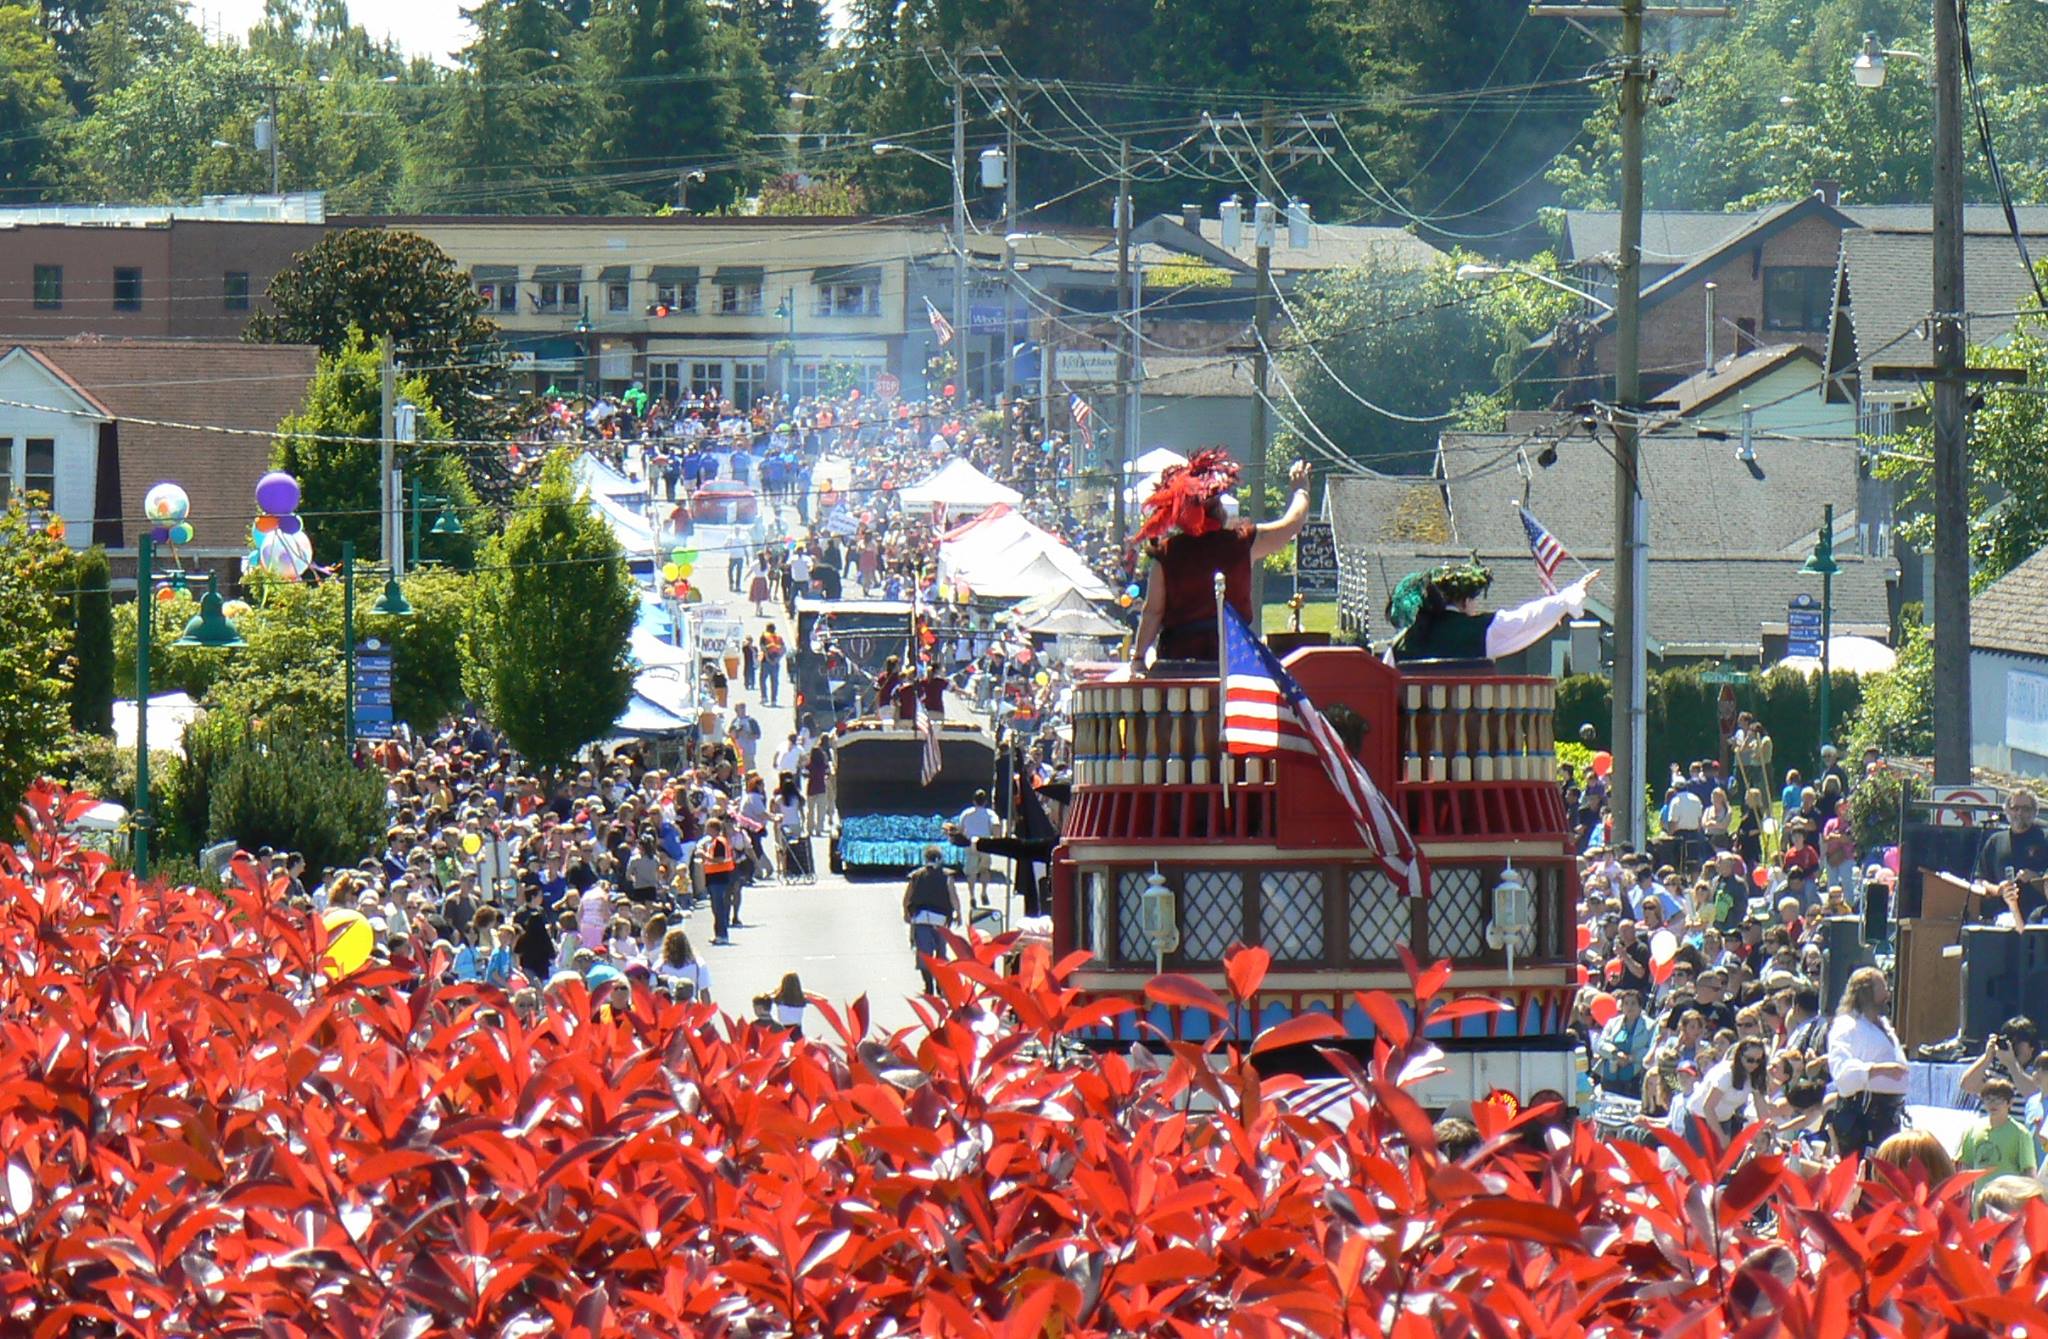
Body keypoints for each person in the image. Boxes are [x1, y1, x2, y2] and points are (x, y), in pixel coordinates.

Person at [1129, 452, 1313, 667]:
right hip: (1233, 658)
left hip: (1178, 662)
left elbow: (1153, 611)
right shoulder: (1240, 543)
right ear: (1217, 509)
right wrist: (1301, 490)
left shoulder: (1167, 553)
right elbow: (1292, 523)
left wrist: (1139, 658)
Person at [1383, 560, 1601, 665]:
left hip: (1409, 745)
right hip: (1468, 744)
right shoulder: (1480, 630)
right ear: (1465, 600)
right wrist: (1568, 597)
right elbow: (1528, 619)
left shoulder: (1400, 644)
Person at [1827, 966, 1909, 1156]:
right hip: (1863, 1115)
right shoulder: (1847, 1026)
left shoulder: (1883, 1025)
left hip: (1888, 1115)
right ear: (1866, 992)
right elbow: (1841, 1072)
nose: (1888, 993)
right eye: (1883, 988)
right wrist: (1877, 1069)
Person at [1977, 788, 2048, 924]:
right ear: (2007, 811)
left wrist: (2036, 877)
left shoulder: (2045, 839)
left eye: (2026, 809)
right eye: (2015, 808)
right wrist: (1998, 889)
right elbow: (1981, 879)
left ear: (2034, 812)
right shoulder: (1995, 841)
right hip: (2003, 918)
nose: (2019, 813)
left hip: (2039, 918)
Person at [902, 844, 961, 994]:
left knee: (924, 955)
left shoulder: (916, 876)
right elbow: (953, 896)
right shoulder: (947, 876)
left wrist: (906, 913)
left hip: (921, 919)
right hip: (941, 920)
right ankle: (941, 986)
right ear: (940, 859)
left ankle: (929, 986)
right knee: (941, 955)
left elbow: (907, 897)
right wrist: (959, 913)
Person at [1957, 1078, 2039, 1182]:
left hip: (2009, 1195)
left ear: (2009, 1103)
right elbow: (1966, 1166)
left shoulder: (2021, 1133)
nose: (1993, 1104)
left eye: (1998, 1099)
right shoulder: (1972, 1130)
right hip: (1980, 1196)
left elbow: (2028, 1171)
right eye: (1988, 1099)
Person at [1591, 989, 1652, 1098]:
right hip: (1610, 1072)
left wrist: (1630, 1058)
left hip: (1635, 1076)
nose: (1629, 1007)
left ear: (1640, 1006)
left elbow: (1650, 1048)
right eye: (1626, 1003)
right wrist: (1615, 1054)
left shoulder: (1650, 1025)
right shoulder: (1612, 1023)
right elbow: (1600, 1044)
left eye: (1633, 1003)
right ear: (1622, 1006)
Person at [953, 788, 1001, 907]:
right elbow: (996, 826)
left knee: (971, 873)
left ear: (974, 801)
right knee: (985, 870)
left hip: (970, 844)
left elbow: (960, 829)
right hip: (985, 844)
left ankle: (972, 896)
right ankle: (984, 892)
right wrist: (996, 839)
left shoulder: (966, 813)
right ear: (985, 801)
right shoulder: (990, 814)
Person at [700, 817, 738, 946]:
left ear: (713, 829)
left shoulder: (719, 842)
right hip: (714, 878)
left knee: (718, 907)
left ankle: (722, 935)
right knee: (716, 907)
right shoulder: (714, 842)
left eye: (708, 827)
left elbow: (720, 859)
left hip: (719, 878)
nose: (706, 830)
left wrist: (704, 856)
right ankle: (718, 934)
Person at [654, 927, 711, 1002]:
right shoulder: (698, 964)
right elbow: (704, 993)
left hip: (668, 1010)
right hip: (691, 1009)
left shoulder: (659, 965)